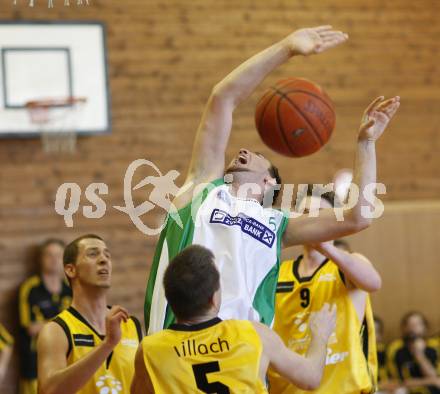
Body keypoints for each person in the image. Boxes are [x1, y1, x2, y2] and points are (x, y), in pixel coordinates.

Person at [144, 23, 400, 333]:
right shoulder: (202, 186)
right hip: (177, 344)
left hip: (244, 357)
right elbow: (222, 98)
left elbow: (358, 217)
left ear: (269, 183)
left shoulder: (278, 223)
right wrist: (286, 48)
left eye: (255, 156)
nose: (242, 151)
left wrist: (366, 144)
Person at [132, 245, 336, 393]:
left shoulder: (150, 350)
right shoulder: (254, 334)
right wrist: (320, 335)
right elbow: (310, 378)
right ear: (214, 299)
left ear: (170, 300)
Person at [268, 188, 381, 394]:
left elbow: (373, 283)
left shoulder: (347, 265)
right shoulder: (278, 272)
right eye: (305, 212)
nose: (312, 218)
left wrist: (326, 246)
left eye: (320, 212)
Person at [37, 235, 142, 394]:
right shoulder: (56, 330)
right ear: (71, 270)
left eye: (107, 255)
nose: (103, 260)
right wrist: (108, 344)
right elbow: (49, 390)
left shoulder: (131, 324)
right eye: (93, 254)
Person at [18, 238, 72, 394]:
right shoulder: (30, 288)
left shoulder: (71, 288)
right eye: (49, 255)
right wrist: (65, 322)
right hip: (34, 365)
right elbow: (32, 328)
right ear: (41, 259)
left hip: (66, 364)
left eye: (58, 255)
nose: (54, 260)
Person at [387, 311, 440, 394]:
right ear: (404, 328)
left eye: (418, 324)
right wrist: (429, 381)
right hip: (406, 390)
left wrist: (419, 354)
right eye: (410, 325)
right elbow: (398, 382)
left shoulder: (434, 346)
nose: (413, 328)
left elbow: (434, 376)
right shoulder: (396, 348)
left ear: (425, 327)